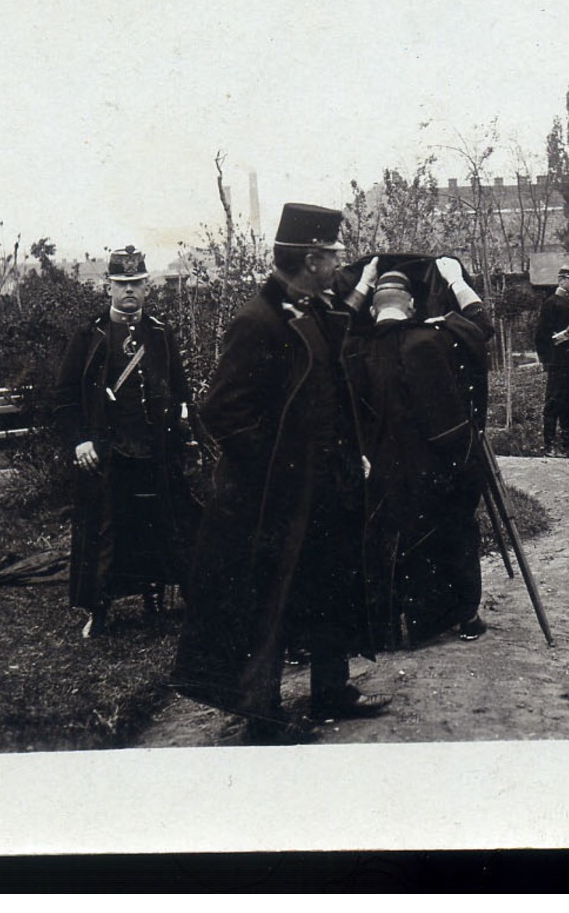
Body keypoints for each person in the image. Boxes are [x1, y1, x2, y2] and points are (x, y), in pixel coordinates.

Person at [171, 203, 390, 744]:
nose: (341, 263)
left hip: (326, 484)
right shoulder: (257, 321)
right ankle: (262, 716)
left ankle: (330, 689)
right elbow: (221, 411)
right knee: (271, 599)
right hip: (275, 497)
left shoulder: (314, 310)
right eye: (334, 254)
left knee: (331, 582)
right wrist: (279, 467)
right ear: (312, 258)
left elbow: (332, 393)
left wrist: (350, 452)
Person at [53, 246, 199, 638]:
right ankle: (98, 610)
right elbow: (65, 397)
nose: (130, 291)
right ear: (108, 288)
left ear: (147, 287)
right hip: (108, 452)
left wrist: (185, 428)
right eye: (122, 284)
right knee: (106, 531)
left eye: (137, 283)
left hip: (155, 448)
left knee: (167, 525)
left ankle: (181, 599)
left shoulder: (160, 333)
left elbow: (182, 391)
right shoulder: (90, 335)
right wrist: (80, 441)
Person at [353, 263, 489, 648]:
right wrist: (457, 282)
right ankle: (464, 616)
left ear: (374, 308)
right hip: (432, 467)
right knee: (457, 526)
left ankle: (386, 624)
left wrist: (361, 283)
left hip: (379, 469)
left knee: (382, 536)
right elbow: (482, 331)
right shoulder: (431, 340)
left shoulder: (356, 348)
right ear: (411, 305)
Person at [534, 265, 569, 455]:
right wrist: (546, 360)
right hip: (557, 360)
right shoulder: (551, 303)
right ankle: (549, 444)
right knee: (554, 400)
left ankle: (567, 440)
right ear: (561, 279)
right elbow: (541, 335)